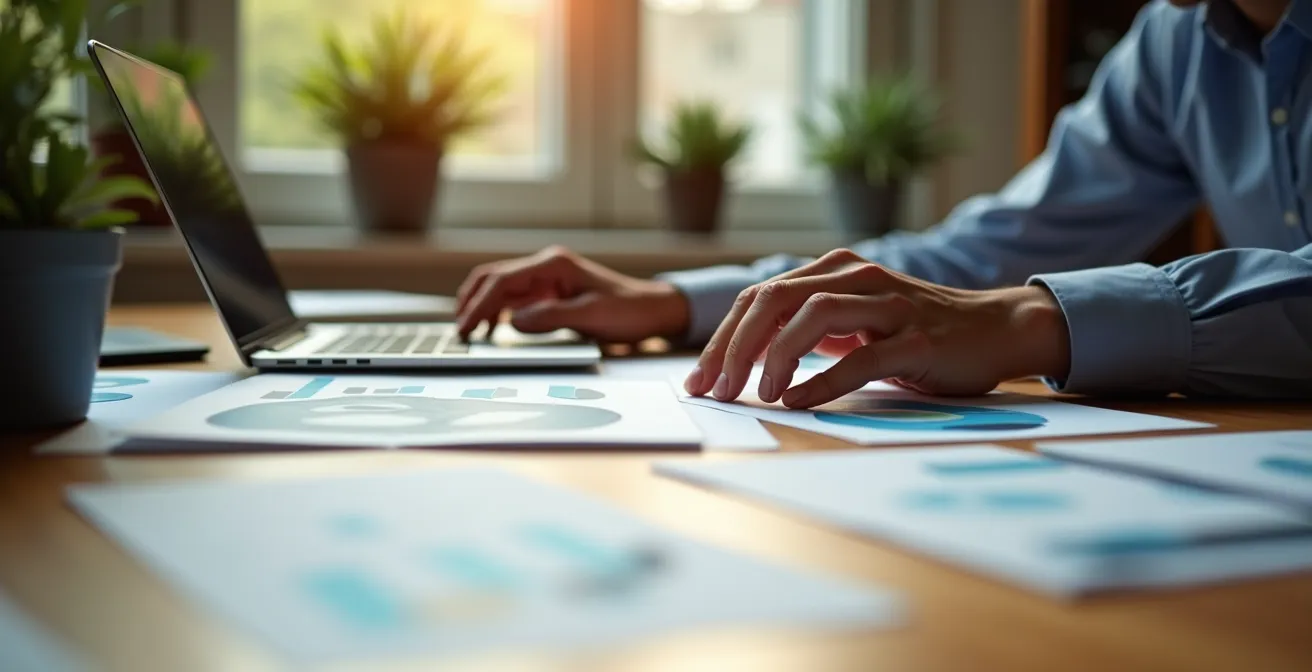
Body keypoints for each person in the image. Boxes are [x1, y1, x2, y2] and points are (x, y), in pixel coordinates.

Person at [455, 0, 1312, 406]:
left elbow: (988, 294)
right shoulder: (1175, 43)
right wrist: (676, 301)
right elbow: (980, 258)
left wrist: (1026, 323)